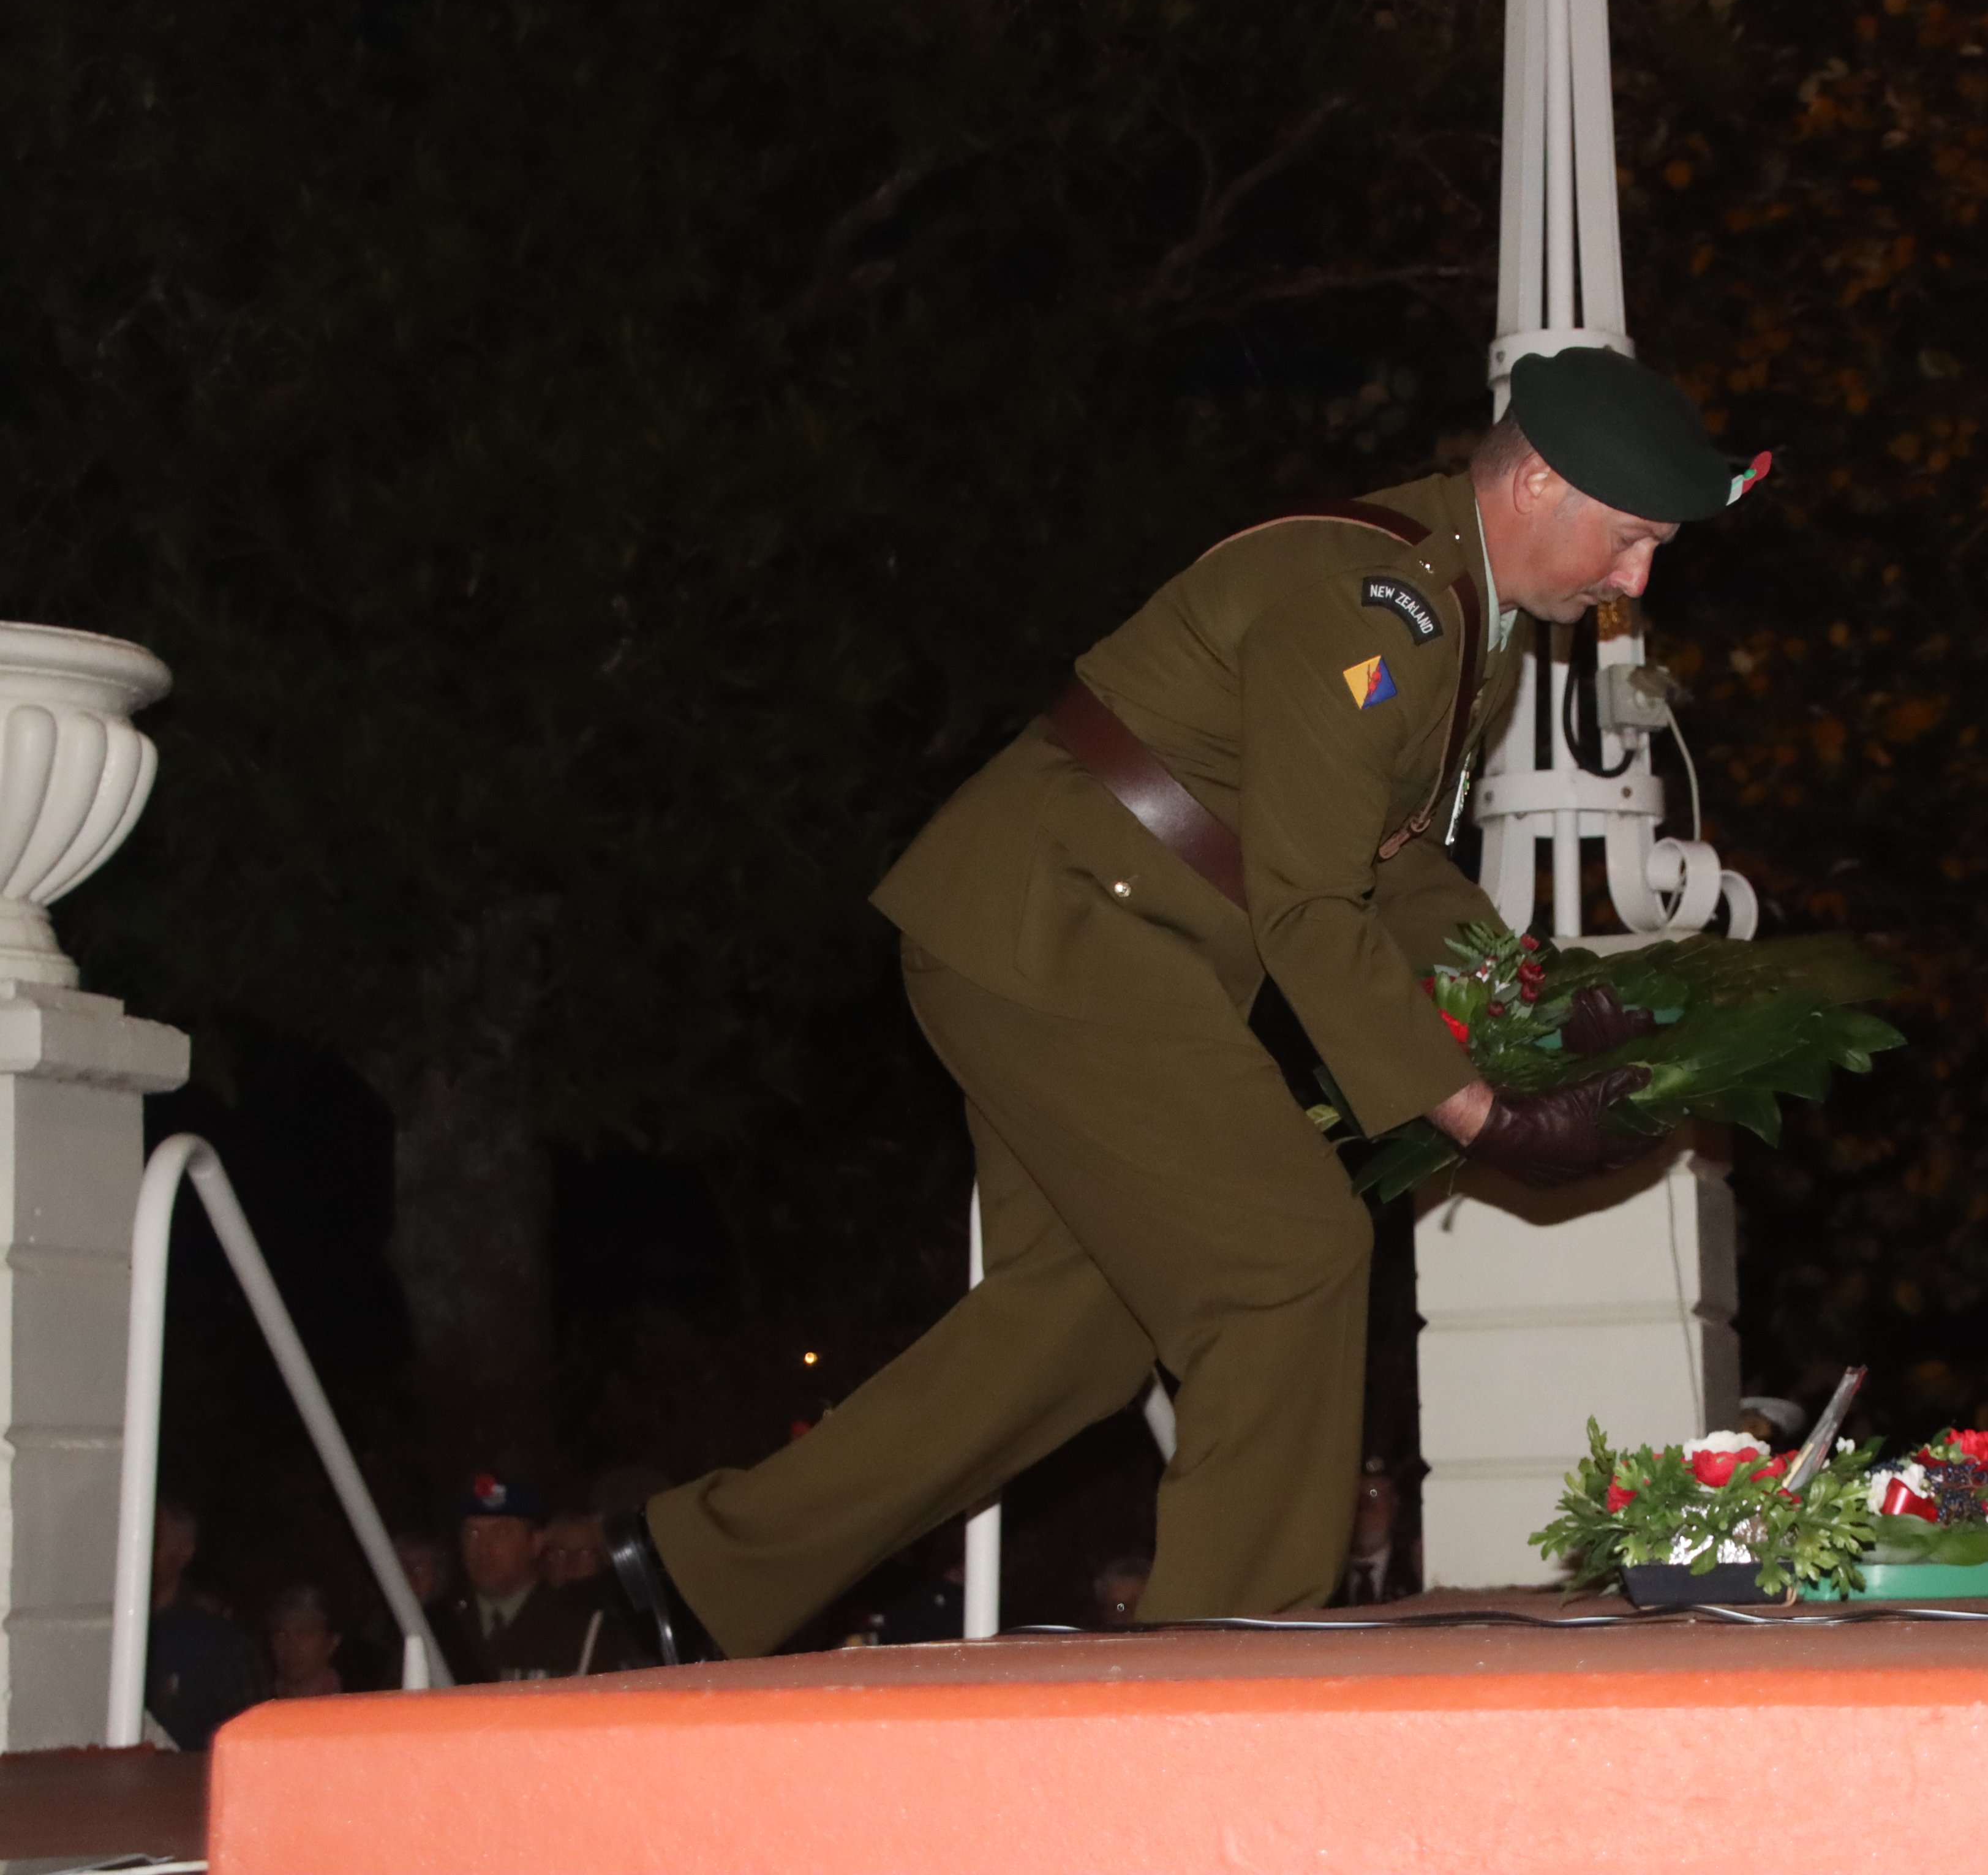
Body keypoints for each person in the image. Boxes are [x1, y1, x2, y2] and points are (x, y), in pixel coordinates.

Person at [610, 348, 1769, 1661]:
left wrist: (1538, 1002)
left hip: (1084, 934)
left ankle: (704, 1563)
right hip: (1068, 926)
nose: (1638, 583)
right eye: (1630, 541)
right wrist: (1481, 1116)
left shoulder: (1463, 611)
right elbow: (1311, 906)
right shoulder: (1376, 606)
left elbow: (1390, 862)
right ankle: (1232, 1666)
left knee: (1083, 1326)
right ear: (1543, 482)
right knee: (1289, 1258)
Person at [434, 1475, 641, 1681]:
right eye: (472, 1534)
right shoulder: (439, 1623)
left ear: (536, 1543)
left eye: (501, 1533)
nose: (484, 1549)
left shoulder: (581, 1624)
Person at [143, 1495, 267, 1748]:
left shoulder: (224, 1647)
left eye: (154, 1541)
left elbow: (256, 1744)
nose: (140, 1550)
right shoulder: (102, 1633)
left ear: (185, 1552)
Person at [264, 1585, 345, 1699]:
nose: (290, 1646)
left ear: (332, 1642)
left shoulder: (358, 1703)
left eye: (304, 1634)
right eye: (281, 1634)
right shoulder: (257, 1704)